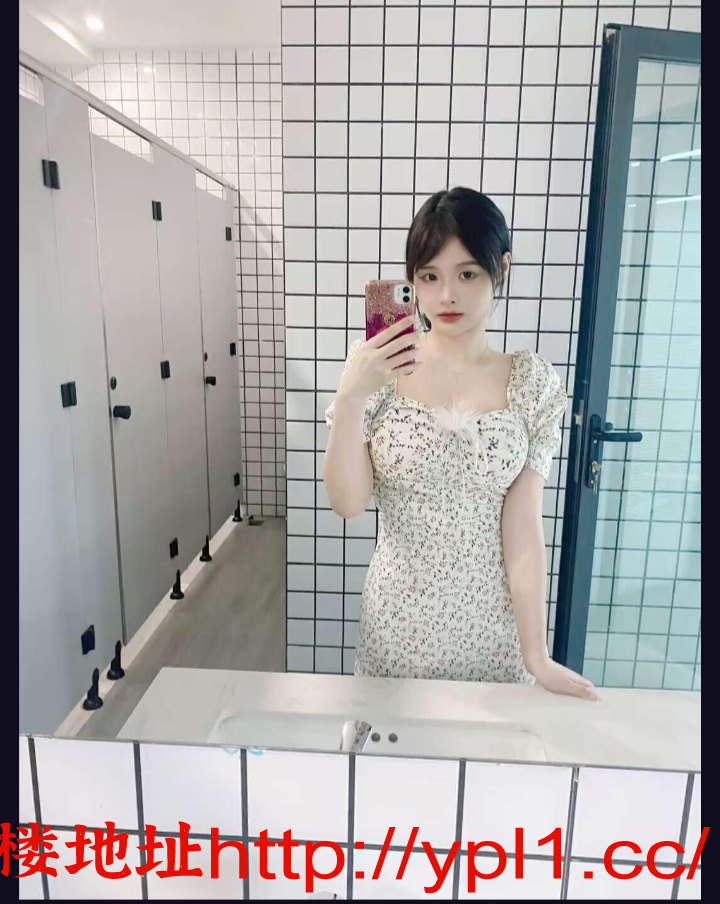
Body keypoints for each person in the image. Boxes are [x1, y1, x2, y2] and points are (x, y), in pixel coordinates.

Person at [323, 187, 598, 701]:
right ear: (412, 282)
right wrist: (352, 396)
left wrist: (536, 654)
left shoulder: (531, 384)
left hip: (495, 640)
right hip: (397, 631)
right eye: (429, 277)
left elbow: (523, 529)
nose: (446, 295)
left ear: (502, 268)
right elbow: (347, 503)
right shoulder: (376, 370)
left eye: (467, 274)